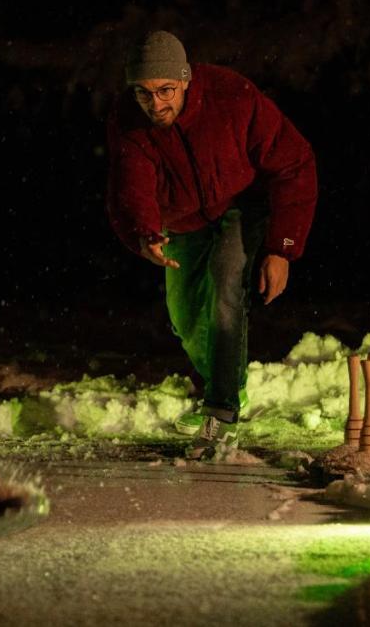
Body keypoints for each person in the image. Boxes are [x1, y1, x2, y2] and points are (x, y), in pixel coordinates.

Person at [106, 31, 317, 459]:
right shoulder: (128, 120)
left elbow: (294, 162)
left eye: (166, 90)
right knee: (184, 316)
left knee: (226, 287)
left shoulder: (231, 96)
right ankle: (225, 382)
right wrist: (145, 234)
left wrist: (282, 248)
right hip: (181, 220)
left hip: (242, 205)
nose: (156, 104)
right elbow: (130, 189)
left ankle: (220, 411)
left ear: (185, 80)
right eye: (144, 93)